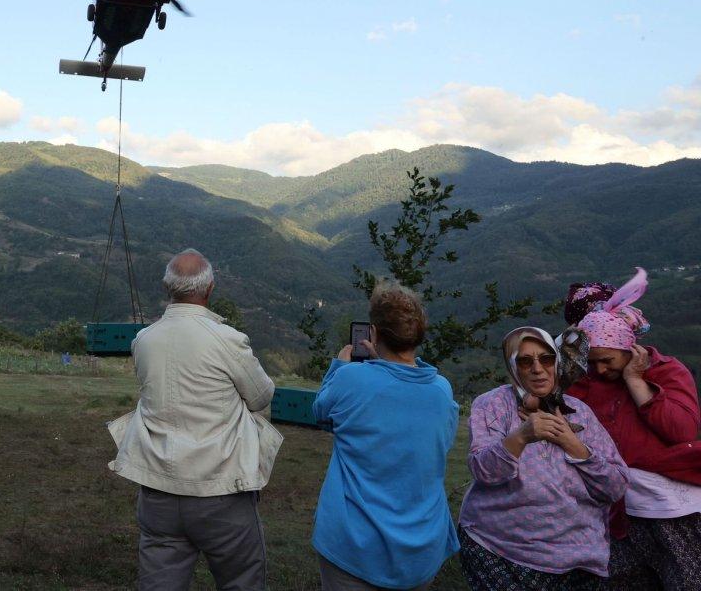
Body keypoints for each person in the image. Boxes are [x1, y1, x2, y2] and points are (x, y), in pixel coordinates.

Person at [108, 249, 279, 591]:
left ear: (167, 287)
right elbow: (261, 396)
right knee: (242, 579)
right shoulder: (227, 340)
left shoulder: (144, 340)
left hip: (157, 488)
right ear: (210, 288)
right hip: (221, 488)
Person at [311, 282, 459, 591]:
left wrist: (339, 366)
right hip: (422, 549)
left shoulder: (351, 378)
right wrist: (381, 364)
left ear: (374, 333)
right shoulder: (442, 391)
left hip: (354, 547)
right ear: (418, 334)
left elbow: (321, 413)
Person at [458, 326, 628, 590]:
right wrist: (521, 436)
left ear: (557, 361)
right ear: (513, 366)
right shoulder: (493, 405)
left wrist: (571, 443)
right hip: (502, 549)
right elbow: (484, 471)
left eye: (546, 359)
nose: (538, 369)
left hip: (579, 554)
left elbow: (615, 487)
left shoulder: (579, 412)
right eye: (526, 361)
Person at [565, 268, 701, 589]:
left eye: (607, 360)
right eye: (592, 361)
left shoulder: (667, 371)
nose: (600, 369)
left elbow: (681, 431)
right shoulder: (585, 385)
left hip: (673, 508)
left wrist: (636, 382)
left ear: (628, 347)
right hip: (617, 513)